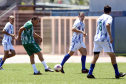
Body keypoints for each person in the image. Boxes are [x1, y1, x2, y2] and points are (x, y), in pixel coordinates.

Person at [87, 5, 126, 78]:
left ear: (103, 11)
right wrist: (110, 36)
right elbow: (107, 25)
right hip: (104, 39)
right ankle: (117, 73)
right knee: (112, 55)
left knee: (95, 56)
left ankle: (90, 73)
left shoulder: (99, 18)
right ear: (110, 11)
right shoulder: (109, 17)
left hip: (96, 39)